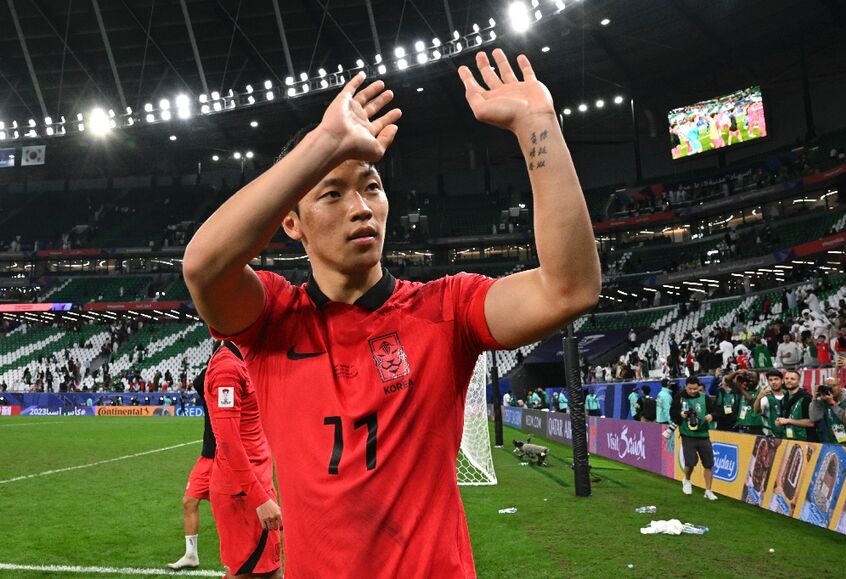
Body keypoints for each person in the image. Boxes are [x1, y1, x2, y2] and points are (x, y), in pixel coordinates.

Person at [182, 49, 600, 577]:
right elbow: (203, 268)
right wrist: (323, 144)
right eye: (332, 194)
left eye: (372, 187)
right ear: (292, 223)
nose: (361, 207)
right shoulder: (272, 319)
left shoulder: (446, 309)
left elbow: (570, 289)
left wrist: (538, 123)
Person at [203, 342, 282, 578]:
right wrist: (260, 499)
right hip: (243, 494)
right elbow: (227, 441)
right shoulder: (227, 368)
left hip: (256, 487)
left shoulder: (247, 357)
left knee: (269, 572)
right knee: (252, 573)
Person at [168, 367, 213, 571]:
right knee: (189, 501)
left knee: (242, 509)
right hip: (208, 457)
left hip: (232, 458)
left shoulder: (243, 384)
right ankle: (191, 554)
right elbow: (199, 381)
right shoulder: (211, 385)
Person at [670, 376, 720, 500]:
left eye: (695, 389)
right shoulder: (679, 397)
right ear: (686, 387)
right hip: (688, 435)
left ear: (699, 387)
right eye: (690, 389)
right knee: (690, 462)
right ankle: (687, 480)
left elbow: (716, 412)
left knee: (708, 464)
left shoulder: (705, 398)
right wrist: (680, 414)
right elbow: (672, 412)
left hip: (703, 435)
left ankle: (708, 490)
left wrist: (711, 416)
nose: (693, 391)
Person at [776, 369, 816, 441]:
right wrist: (779, 421)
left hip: (805, 440)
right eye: (787, 378)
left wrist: (789, 421)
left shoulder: (806, 398)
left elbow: (811, 423)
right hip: (788, 439)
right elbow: (783, 418)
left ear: (799, 381)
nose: (789, 381)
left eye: (792, 379)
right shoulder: (784, 398)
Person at [753, 370, 787, 437]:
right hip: (771, 435)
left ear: (782, 381)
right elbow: (756, 411)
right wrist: (758, 398)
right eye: (770, 380)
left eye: (776, 379)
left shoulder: (788, 394)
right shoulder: (766, 397)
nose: (773, 382)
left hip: (788, 434)